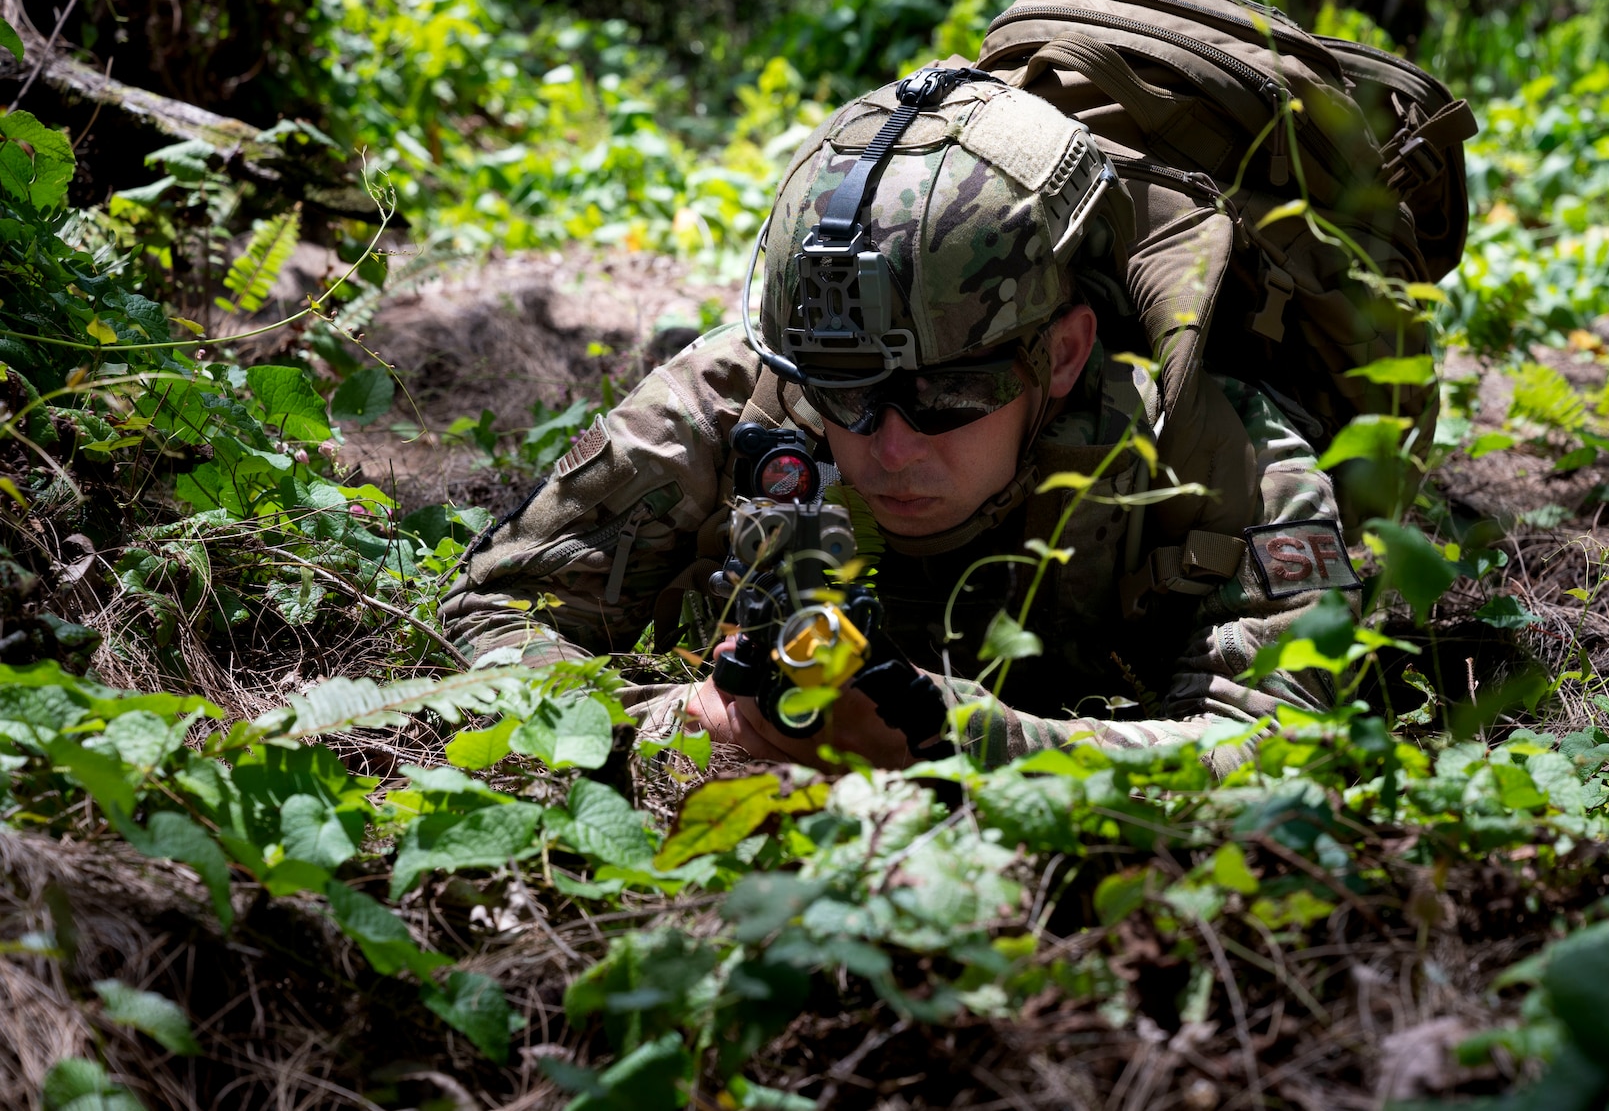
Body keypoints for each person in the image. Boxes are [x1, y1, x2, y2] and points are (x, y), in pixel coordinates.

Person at [439, 64, 1358, 773]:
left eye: (946, 395)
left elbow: (1283, 744)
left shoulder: (1209, 448)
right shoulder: (732, 396)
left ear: (1065, 354)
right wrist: (679, 720)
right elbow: (491, 607)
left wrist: (965, 735)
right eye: (843, 394)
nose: (888, 445)